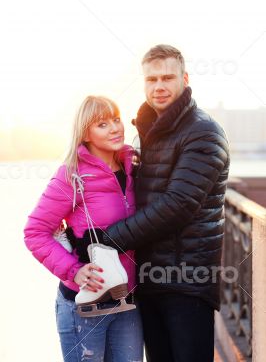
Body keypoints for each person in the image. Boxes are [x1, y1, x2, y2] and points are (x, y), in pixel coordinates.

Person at [99, 45, 230, 362]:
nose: (158, 86)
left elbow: (178, 204)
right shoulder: (146, 132)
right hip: (150, 278)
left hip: (187, 282)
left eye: (167, 78)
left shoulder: (203, 132)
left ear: (184, 79)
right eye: (151, 79)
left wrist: (107, 239)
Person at [24, 96, 143, 362]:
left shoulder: (134, 168)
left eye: (116, 119)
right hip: (85, 307)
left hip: (127, 302)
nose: (114, 128)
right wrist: (74, 271)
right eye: (102, 124)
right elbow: (35, 232)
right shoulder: (71, 175)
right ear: (85, 133)